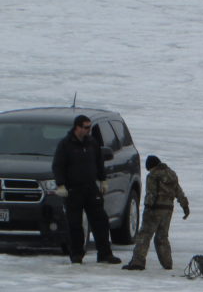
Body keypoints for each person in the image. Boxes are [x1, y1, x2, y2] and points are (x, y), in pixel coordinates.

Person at [51, 114, 121, 264]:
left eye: (90, 127)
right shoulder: (65, 144)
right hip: (73, 190)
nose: (88, 130)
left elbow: (99, 162)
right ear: (77, 127)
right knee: (75, 224)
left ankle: (105, 254)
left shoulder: (92, 143)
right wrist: (61, 184)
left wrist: (103, 180)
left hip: (91, 188)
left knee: (100, 221)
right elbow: (58, 166)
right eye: (86, 127)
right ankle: (76, 254)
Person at [123, 155, 190, 270]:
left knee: (144, 235)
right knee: (162, 237)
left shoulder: (153, 175)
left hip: (154, 209)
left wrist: (148, 207)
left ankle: (138, 262)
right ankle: (167, 263)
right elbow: (178, 191)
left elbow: (151, 193)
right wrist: (185, 206)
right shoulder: (171, 174)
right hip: (168, 210)